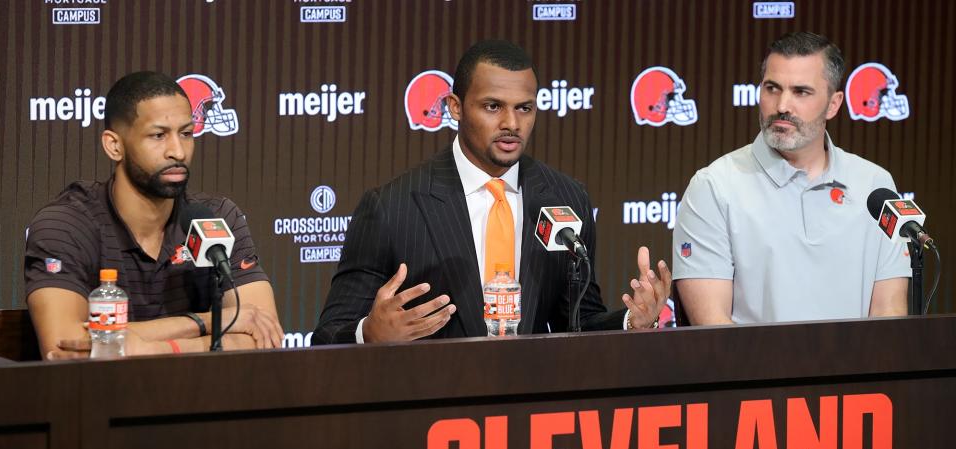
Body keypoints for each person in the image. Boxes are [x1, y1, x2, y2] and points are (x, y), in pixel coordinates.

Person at [314, 40, 670, 344]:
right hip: (433, 410)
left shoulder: (565, 198)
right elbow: (328, 334)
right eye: (492, 106)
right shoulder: (392, 207)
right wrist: (369, 332)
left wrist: (630, 322)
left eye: (524, 108)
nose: (511, 124)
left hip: (530, 410)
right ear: (455, 107)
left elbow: (575, 323)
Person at [25, 71, 283, 359]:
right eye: (158, 135)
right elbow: (65, 348)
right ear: (114, 145)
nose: (178, 151)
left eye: (186, 134)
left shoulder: (217, 217)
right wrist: (206, 323)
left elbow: (264, 337)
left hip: (201, 399)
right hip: (101, 400)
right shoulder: (66, 225)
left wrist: (150, 347)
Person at [672, 32, 910, 325]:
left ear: (834, 104)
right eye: (772, 88)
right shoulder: (713, 187)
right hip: (755, 371)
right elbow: (714, 330)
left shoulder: (876, 185)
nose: (783, 105)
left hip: (856, 370)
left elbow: (890, 314)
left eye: (801, 92)